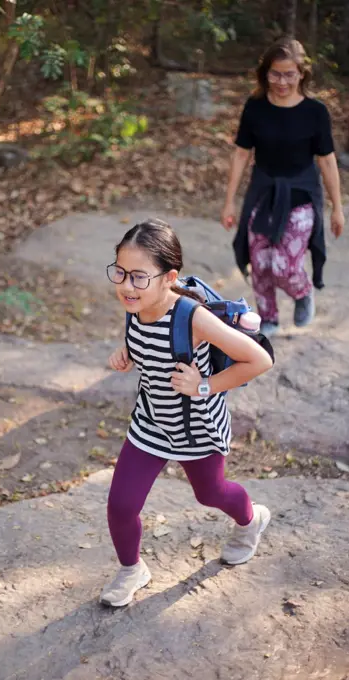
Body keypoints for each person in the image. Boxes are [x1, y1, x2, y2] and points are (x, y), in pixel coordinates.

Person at [100, 218, 273, 608]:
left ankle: (251, 520)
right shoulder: (136, 303)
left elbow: (259, 359)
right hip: (151, 421)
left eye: (139, 277)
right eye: (120, 273)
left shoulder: (193, 317)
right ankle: (131, 569)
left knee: (211, 494)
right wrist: (126, 353)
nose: (126, 285)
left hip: (197, 427)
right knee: (121, 505)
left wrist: (204, 385)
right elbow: (145, 340)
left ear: (168, 277)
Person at [222, 38, 344, 337]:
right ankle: (269, 318)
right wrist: (229, 202)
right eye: (275, 74)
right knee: (260, 262)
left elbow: (327, 161)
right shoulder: (255, 107)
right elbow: (241, 154)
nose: (282, 81)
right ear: (266, 73)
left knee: (284, 266)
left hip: (301, 194)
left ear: (302, 73)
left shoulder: (315, 111)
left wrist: (337, 208)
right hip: (263, 192)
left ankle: (302, 293)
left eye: (290, 74)